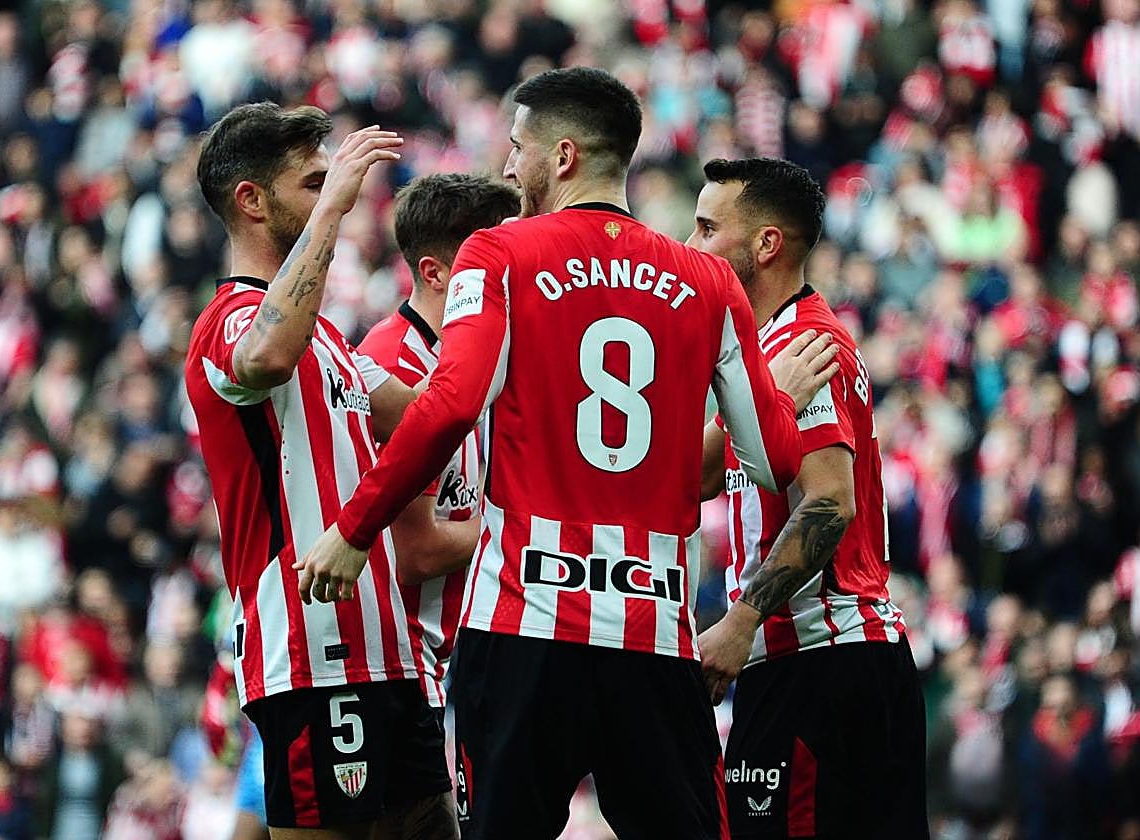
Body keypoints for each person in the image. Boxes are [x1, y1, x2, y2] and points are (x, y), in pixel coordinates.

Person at [297, 67, 808, 839]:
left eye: (517, 148)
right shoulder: (708, 280)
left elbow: (450, 406)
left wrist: (354, 527)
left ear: (562, 157)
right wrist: (779, 398)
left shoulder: (498, 254)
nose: (508, 168)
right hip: (653, 638)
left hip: (523, 630)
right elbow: (771, 460)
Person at [184, 102, 458, 838]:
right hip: (311, 654)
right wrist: (332, 211)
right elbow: (266, 356)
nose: (330, 191)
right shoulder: (226, 324)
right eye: (311, 181)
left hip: (390, 651)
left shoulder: (332, 342)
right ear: (251, 200)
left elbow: (431, 414)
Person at [690, 158, 928, 838]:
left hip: (818, 661)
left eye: (708, 228)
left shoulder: (805, 342)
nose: (692, 244)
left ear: (766, 245)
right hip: (821, 663)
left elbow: (831, 503)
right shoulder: (764, 353)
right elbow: (700, 476)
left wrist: (738, 622)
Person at [358, 173, 521, 708]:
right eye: (495, 261)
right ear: (436, 273)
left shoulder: (486, 362)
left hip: (449, 657)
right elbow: (418, 552)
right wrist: (529, 528)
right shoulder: (394, 367)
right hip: (398, 663)